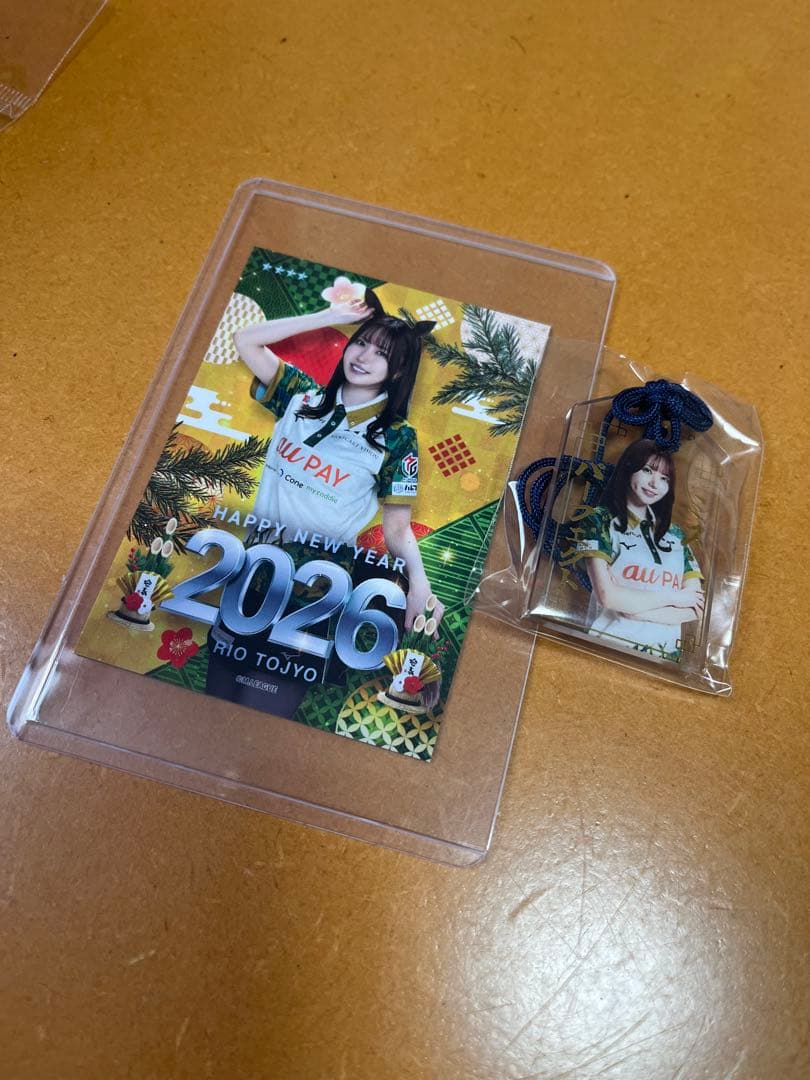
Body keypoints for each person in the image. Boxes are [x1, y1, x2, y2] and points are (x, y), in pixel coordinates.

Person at [232, 287, 445, 634]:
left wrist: (419, 582)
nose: (364, 357)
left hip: (318, 587)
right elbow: (245, 340)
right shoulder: (298, 395)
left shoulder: (397, 436)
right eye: (361, 343)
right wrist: (329, 317)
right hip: (252, 568)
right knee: (225, 659)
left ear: (397, 371)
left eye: (382, 353)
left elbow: (396, 528)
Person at [570, 438, 704, 661]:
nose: (654, 484)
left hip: (667, 658)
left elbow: (696, 607)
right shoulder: (598, 520)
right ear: (629, 468)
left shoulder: (675, 534)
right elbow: (608, 597)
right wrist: (676, 597)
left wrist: (636, 610)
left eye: (664, 478)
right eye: (647, 470)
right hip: (608, 648)